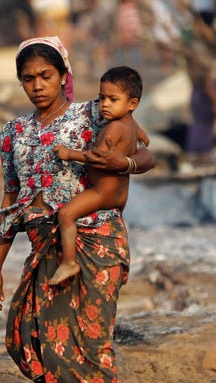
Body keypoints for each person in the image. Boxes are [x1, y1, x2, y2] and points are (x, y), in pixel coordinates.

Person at [0, 36, 155, 383]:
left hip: (95, 238)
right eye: (28, 79)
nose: (38, 85)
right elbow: (11, 198)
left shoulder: (93, 114)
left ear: (64, 76)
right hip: (45, 247)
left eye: (46, 75)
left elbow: (143, 144)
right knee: (25, 339)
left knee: (92, 339)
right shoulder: (14, 134)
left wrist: (129, 165)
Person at [49, 66, 145, 285]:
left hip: (102, 192)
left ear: (132, 104)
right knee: (118, 225)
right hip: (121, 194)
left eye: (113, 99)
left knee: (65, 215)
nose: (105, 105)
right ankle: (122, 261)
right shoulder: (132, 125)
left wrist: (69, 153)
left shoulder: (112, 129)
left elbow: (97, 157)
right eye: (102, 98)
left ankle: (69, 262)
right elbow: (145, 141)